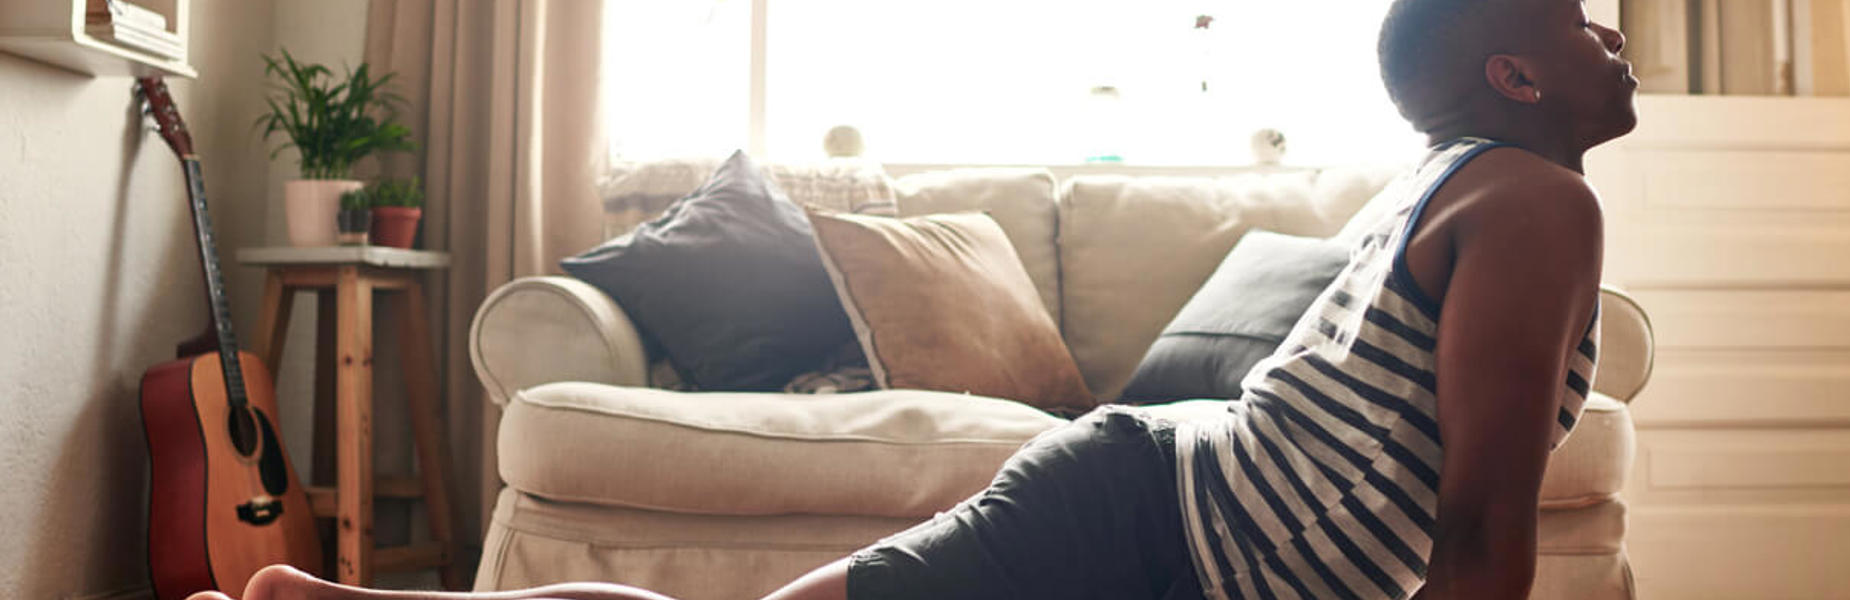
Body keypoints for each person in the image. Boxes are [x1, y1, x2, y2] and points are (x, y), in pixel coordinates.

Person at [195, 0, 1635, 598]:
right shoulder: (1534, 198)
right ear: (1515, 78)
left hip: (1165, 529)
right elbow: (1481, 519)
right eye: (1583, 22)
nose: (1615, 37)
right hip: (1141, 521)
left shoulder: (1470, 180)